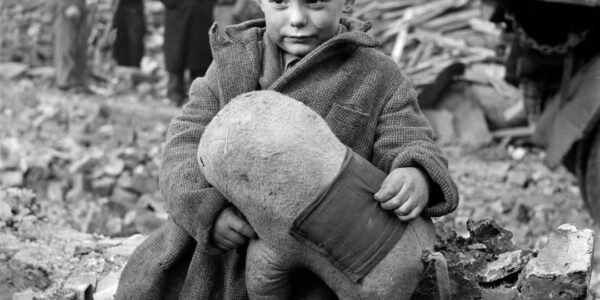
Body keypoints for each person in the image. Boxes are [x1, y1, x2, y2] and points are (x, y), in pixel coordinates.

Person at [115, 0, 459, 298]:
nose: (296, 18)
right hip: (215, 254)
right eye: (280, 2)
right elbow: (185, 140)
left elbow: (409, 135)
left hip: (313, 261)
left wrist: (415, 173)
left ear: (348, 2)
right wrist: (204, 210)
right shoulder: (233, 61)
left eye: (315, 2)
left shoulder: (375, 73)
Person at [161, 0, 215, 106]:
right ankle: (174, 94)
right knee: (176, 56)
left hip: (200, 14)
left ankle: (198, 97)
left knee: (199, 59)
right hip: (177, 15)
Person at [48, 0, 91, 93]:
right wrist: (66, 5)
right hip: (68, 6)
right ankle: (66, 82)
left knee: (80, 45)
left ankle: (78, 82)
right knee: (67, 45)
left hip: (81, 6)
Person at [112, 0, 146, 67]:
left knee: (135, 46)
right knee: (119, 42)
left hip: (134, 10)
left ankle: (133, 70)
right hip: (121, 9)